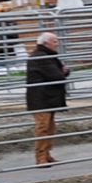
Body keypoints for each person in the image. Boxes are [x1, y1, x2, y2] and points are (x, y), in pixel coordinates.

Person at [25, 29, 69, 166]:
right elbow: (57, 75)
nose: (57, 44)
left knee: (49, 127)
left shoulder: (47, 55)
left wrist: (63, 72)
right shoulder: (42, 57)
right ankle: (41, 157)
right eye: (54, 41)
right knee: (43, 127)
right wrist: (62, 72)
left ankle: (46, 154)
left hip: (46, 98)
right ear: (46, 43)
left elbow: (61, 72)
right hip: (41, 99)